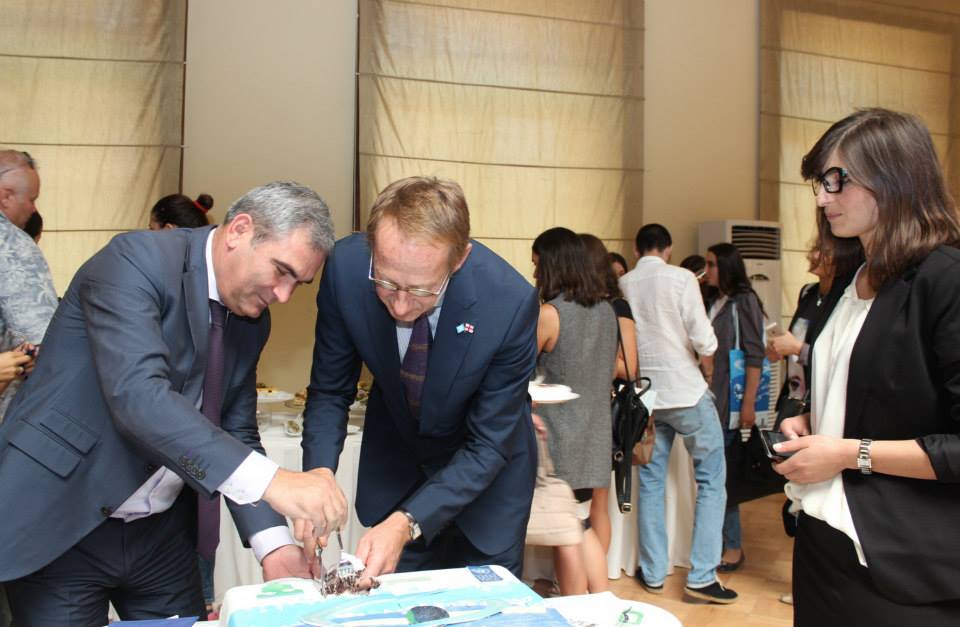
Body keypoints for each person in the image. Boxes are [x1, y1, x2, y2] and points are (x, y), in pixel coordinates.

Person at [0, 181, 349, 626]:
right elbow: (138, 396)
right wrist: (275, 481)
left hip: (161, 535)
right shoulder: (135, 260)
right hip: (66, 516)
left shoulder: (251, 319)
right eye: (281, 271)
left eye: (298, 283)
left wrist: (274, 545)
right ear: (240, 230)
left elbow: (234, 428)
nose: (283, 295)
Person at [300, 176, 539, 582]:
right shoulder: (345, 269)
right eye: (386, 282)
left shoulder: (509, 303)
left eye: (421, 290)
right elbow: (330, 391)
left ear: (459, 260)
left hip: (487, 490)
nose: (400, 304)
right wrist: (318, 476)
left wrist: (409, 521)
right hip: (398, 473)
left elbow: (488, 444)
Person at [773, 108, 960, 625]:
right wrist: (813, 419)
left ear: (896, 178)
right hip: (822, 534)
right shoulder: (850, 279)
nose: (822, 198)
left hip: (902, 560)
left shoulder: (945, 279)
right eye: (820, 182)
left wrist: (847, 453)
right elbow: (870, 393)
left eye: (838, 180)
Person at [620, 224, 737, 604]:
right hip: (686, 391)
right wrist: (705, 363)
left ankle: (654, 573)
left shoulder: (625, 284)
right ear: (668, 249)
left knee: (650, 481)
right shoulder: (682, 278)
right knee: (712, 480)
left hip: (647, 396)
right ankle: (701, 576)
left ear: (636, 251)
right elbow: (704, 338)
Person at [532, 228, 618, 595]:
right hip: (595, 431)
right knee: (580, 522)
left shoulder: (551, 314)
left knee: (570, 531)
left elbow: (519, 368)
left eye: (537, 265)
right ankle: (598, 601)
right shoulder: (607, 310)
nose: (535, 274)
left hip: (559, 435)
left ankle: (580, 606)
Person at [703, 242, 767, 573]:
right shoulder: (713, 300)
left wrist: (748, 404)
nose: (707, 270)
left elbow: (755, 354)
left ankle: (733, 545)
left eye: (712, 264)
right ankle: (718, 542)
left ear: (726, 267)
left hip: (731, 398)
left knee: (724, 475)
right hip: (710, 397)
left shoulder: (744, 301)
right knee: (715, 474)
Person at [579, 232, 638, 554]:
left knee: (596, 505)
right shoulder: (574, 305)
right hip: (578, 411)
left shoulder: (617, 307)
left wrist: (585, 355)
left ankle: (594, 574)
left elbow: (629, 367)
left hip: (603, 411)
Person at [0, 150, 57, 420]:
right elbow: (41, 339)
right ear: (5, 196)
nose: (33, 209)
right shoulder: (12, 245)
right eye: (32, 199)